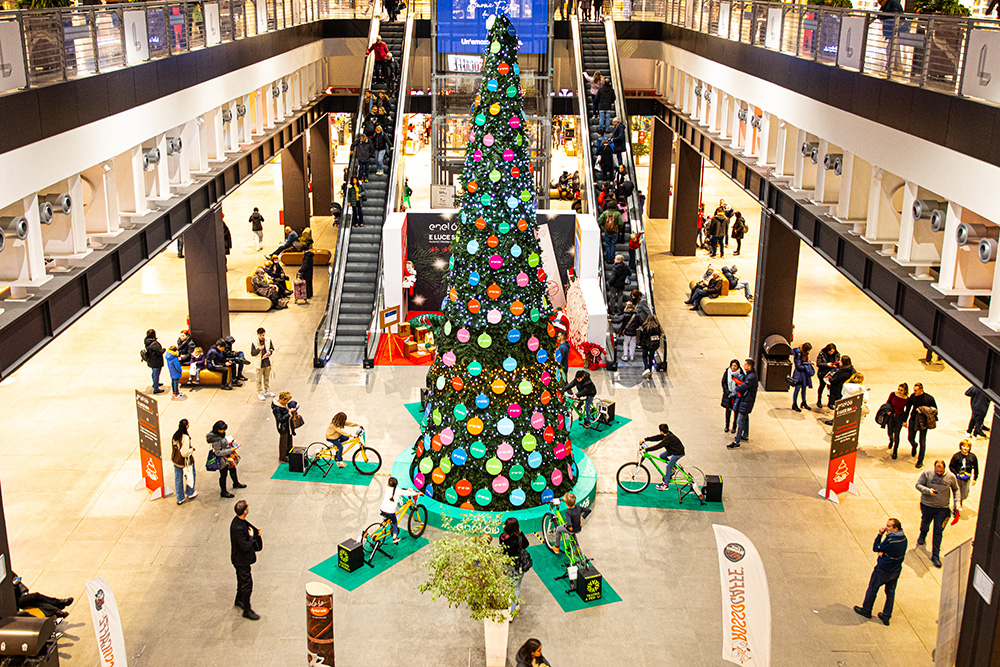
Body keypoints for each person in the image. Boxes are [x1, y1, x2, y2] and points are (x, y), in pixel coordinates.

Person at [853, 518, 907, 626]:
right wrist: (884, 551)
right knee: (890, 593)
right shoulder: (903, 539)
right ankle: (886, 616)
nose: (886, 528)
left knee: (872, 589)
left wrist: (879, 535)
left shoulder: (891, 540)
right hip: (895, 570)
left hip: (883, 570)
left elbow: (876, 547)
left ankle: (866, 610)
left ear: (895, 528)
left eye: (888, 526)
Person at [915, 460, 959, 568]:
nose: (939, 472)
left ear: (944, 468)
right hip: (927, 505)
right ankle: (923, 534)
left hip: (942, 508)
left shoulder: (950, 477)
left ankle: (935, 555)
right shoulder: (927, 474)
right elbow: (918, 485)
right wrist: (927, 491)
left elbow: (956, 489)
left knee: (938, 531)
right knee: (925, 523)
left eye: (941, 470)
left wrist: (957, 504)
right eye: (937, 470)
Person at [230, 499, 263, 620]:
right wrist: (252, 537)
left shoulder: (239, 522)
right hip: (241, 560)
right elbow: (245, 546)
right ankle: (247, 610)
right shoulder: (238, 528)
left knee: (241, 580)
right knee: (247, 584)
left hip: (239, 559)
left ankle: (239, 600)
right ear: (244, 511)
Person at [208, 420, 246, 497]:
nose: (224, 431)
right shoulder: (216, 440)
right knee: (223, 475)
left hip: (228, 458)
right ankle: (223, 491)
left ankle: (236, 483)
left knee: (233, 469)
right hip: (222, 460)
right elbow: (218, 452)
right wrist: (230, 450)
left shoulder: (221, 435)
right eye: (223, 430)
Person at [642, 423, 685, 491]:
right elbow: (657, 437)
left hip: (677, 453)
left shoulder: (668, 439)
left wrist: (647, 449)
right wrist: (646, 439)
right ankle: (673, 466)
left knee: (668, 467)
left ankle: (666, 485)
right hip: (673, 450)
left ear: (661, 431)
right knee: (662, 456)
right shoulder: (667, 434)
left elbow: (658, 446)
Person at [500, 517, 530, 614]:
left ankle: (514, 604)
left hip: (508, 565)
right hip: (519, 566)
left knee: (510, 584)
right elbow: (526, 544)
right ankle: (512, 609)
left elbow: (502, 551)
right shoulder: (519, 538)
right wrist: (520, 533)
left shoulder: (503, 538)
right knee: (516, 587)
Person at [905, 382, 938, 469]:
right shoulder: (913, 397)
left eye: (916, 390)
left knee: (922, 441)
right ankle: (914, 445)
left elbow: (935, 410)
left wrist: (924, 410)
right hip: (913, 419)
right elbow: (908, 408)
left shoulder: (929, 398)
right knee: (910, 438)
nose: (914, 391)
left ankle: (920, 460)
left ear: (921, 390)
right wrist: (904, 420)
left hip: (923, 421)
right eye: (914, 390)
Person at [728, 359, 758, 449]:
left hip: (746, 401)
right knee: (745, 418)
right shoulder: (751, 375)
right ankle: (745, 435)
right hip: (747, 400)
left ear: (749, 366)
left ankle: (736, 441)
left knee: (740, 420)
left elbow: (744, 387)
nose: (743, 366)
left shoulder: (751, 377)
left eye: (745, 365)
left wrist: (734, 392)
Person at [380, 477, 419, 544]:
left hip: (382, 509)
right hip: (390, 511)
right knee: (395, 522)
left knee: (389, 518)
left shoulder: (387, 488)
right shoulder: (398, 490)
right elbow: (407, 493)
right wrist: (417, 493)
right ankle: (395, 537)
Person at [171, 419, 197, 505]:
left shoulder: (175, 435)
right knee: (190, 475)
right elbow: (184, 453)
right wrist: (191, 450)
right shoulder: (185, 437)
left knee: (178, 479)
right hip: (184, 462)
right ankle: (190, 492)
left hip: (176, 460)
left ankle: (180, 497)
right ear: (186, 426)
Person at [949, 439, 979, 508]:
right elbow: (951, 466)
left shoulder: (972, 457)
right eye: (964, 446)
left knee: (964, 494)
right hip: (958, 477)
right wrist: (956, 474)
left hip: (967, 477)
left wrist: (975, 478)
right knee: (957, 492)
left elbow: (976, 468)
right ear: (961, 447)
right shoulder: (956, 456)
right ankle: (956, 507)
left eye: (967, 446)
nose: (965, 448)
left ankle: (959, 501)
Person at [884, 383, 909, 459]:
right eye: (899, 389)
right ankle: (891, 439)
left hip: (899, 417)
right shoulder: (893, 394)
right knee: (890, 431)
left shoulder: (907, 399)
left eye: (901, 390)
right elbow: (888, 402)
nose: (899, 391)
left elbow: (907, 410)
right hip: (891, 416)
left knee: (897, 434)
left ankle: (895, 451)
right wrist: (888, 410)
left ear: (905, 391)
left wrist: (904, 421)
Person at [250, 327, 275, 401]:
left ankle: (267, 390)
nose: (262, 337)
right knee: (259, 379)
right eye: (261, 335)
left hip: (267, 362)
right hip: (259, 364)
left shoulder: (268, 340)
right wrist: (259, 349)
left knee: (266, 378)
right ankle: (260, 392)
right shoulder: (254, 342)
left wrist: (269, 353)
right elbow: (252, 353)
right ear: (258, 335)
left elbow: (272, 348)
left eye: (263, 335)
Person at [272, 391, 297, 463]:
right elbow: (280, 419)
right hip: (283, 427)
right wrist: (289, 414)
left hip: (287, 425)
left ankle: (289, 453)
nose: (287, 402)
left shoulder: (283, 405)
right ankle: (282, 457)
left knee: (289, 440)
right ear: (282, 400)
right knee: (284, 442)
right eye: (286, 401)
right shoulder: (277, 408)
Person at [722, 359, 744, 434]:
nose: (733, 367)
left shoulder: (740, 373)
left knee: (736, 411)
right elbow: (723, 382)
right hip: (728, 394)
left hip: (737, 395)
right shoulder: (727, 372)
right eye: (732, 365)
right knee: (728, 411)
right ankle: (727, 426)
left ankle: (734, 426)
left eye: (735, 366)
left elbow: (742, 384)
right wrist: (727, 391)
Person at [815, 343, 841, 408]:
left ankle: (830, 402)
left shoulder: (837, 354)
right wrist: (826, 364)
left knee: (831, 389)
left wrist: (836, 365)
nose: (831, 353)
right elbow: (818, 363)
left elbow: (838, 362)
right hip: (823, 373)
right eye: (830, 351)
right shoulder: (822, 354)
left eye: (833, 351)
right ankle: (819, 400)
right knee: (822, 386)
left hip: (832, 374)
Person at [790, 342, 814, 412]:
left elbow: (804, 362)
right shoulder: (798, 354)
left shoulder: (805, 354)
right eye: (808, 350)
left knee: (804, 389)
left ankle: (804, 402)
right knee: (797, 390)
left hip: (804, 375)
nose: (809, 352)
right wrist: (807, 366)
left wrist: (808, 363)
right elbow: (798, 366)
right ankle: (794, 404)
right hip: (799, 375)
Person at [637, 314, 662, 378]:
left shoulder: (645, 326)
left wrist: (640, 343)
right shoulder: (657, 327)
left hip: (646, 344)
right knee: (651, 357)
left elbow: (642, 336)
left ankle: (646, 368)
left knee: (644, 356)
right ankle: (650, 369)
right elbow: (660, 334)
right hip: (654, 344)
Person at [598, 200, 621, 265]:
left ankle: (608, 259)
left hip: (607, 231)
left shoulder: (605, 213)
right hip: (615, 231)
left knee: (608, 244)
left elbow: (599, 220)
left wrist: (603, 225)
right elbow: (621, 223)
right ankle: (612, 259)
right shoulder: (617, 214)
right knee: (613, 245)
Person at [144, 329, 165, 394]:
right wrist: (163, 350)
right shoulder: (154, 344)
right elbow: (159, 352)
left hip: (151, 360)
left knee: (154, 373)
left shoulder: (147, 341)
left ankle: (155, 383)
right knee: (156, 374)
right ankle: (156, 388)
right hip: (156, 361)